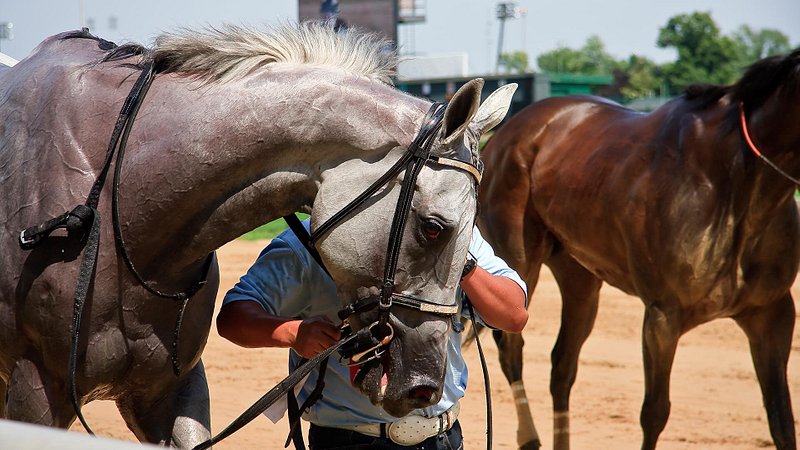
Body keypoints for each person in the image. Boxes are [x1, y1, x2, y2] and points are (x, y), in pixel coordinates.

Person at [217, 219, 528, 449]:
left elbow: (513, 315)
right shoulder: (308, 242)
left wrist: (461, 260)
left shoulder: (450, 229)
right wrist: (293, 333)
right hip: (349, 442)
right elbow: (233, 316)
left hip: (444, 437)